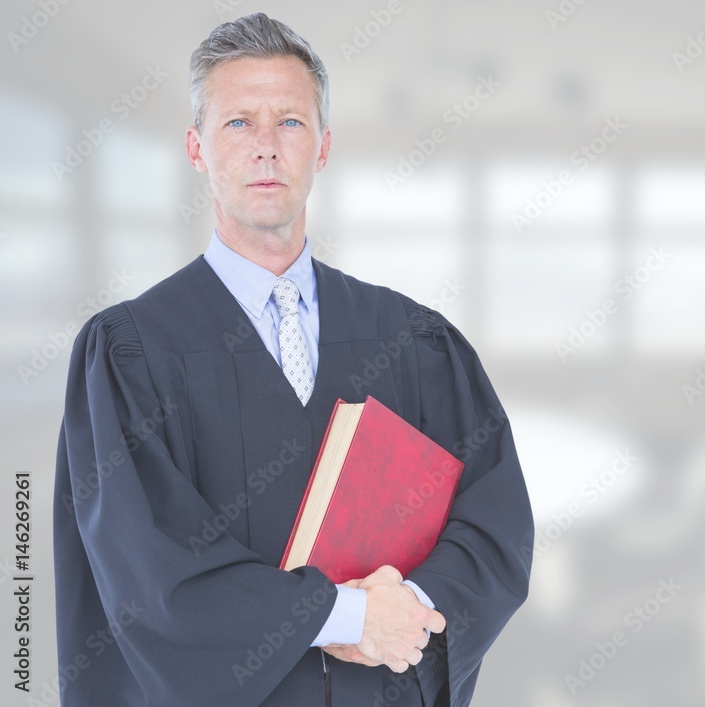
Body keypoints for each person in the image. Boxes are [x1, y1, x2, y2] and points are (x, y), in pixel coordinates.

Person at [51, 12, 533, 707]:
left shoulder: (412, 337)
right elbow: (148, 572)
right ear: (196, 147)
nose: (267, 147)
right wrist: (342, 614)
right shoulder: (129, 351)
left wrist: (410, 607)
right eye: (238, 123)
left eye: (291, 122)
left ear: (324, 146)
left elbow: (495, 517)